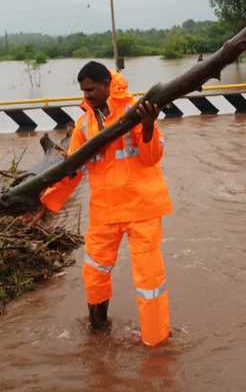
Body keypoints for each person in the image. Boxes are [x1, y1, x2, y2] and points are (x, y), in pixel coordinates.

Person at [41, 61, 173, 346]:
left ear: (107, 85)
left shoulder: (136, 111)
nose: (86, 95)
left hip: (142, 208)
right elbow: (73, 169)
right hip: (104, 212)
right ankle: (98, 329)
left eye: (91, 90)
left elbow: (151, 158)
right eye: (83, 91)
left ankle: (156, 343)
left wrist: (148, 128)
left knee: (149, 281)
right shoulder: (84, 124)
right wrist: (44, 201)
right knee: (94, 272)